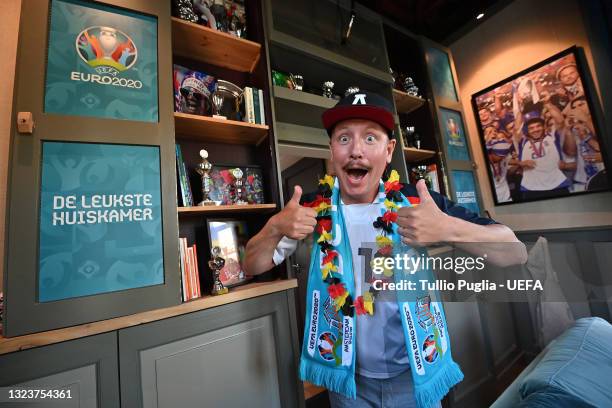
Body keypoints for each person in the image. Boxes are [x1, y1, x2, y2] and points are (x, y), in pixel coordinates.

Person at [243, 91, 527, 408]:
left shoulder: (418, 202)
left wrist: (448, 227)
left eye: (370, 138)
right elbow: (253, 265)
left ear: (389, 150)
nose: (356, 151)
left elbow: (515, 252)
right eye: (344, 139)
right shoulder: (311, 207)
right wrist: (274, 227)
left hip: (414, 374)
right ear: (331, 150)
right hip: (347, 380)